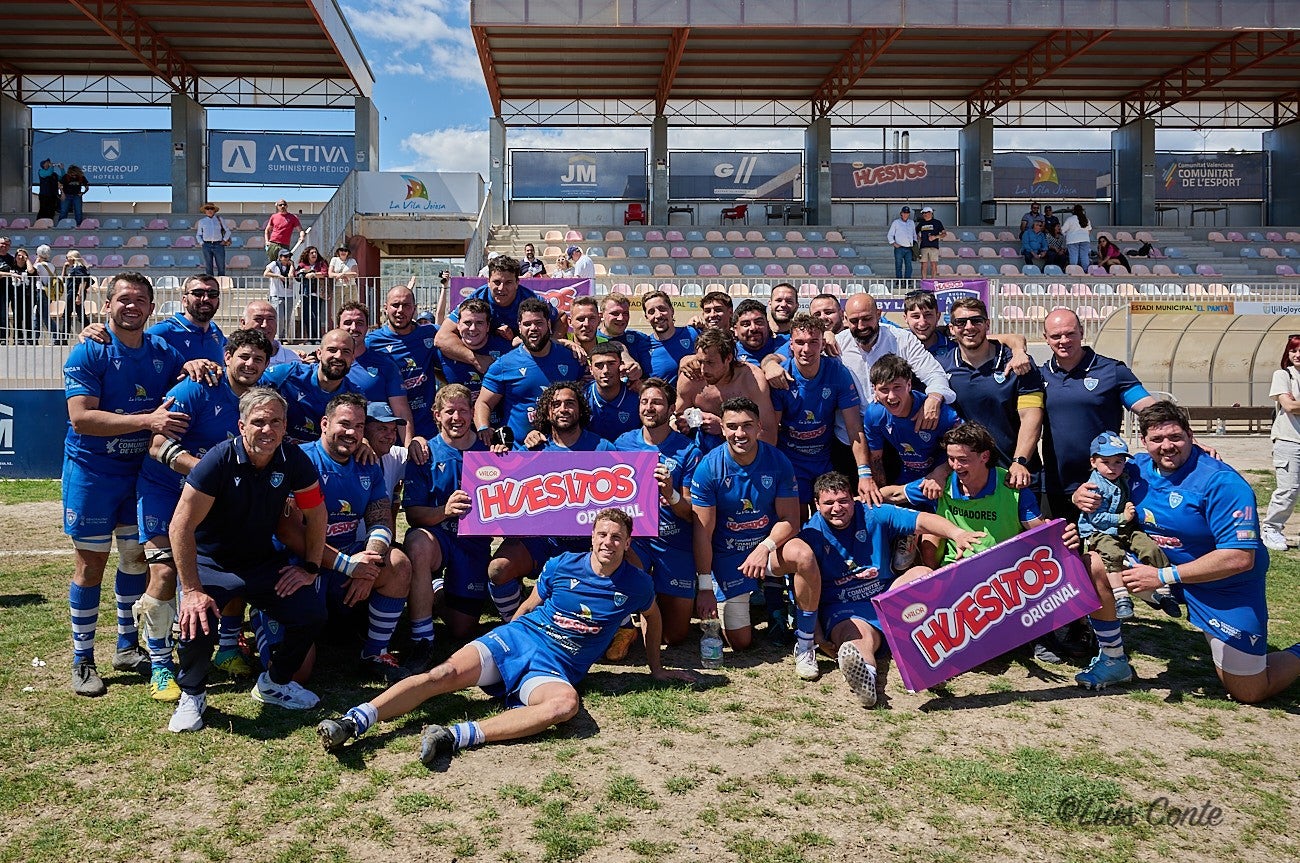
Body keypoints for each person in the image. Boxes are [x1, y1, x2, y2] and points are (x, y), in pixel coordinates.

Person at [316, 509, 694, 765]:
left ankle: (452, 736)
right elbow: (528, 607)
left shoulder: (637, 584)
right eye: (601, 534)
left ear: (628, 543)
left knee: (566, 706)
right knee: (441, 676)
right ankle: (353, 722)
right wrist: (505, 634)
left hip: (555, 666)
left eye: (617, 537)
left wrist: (656, 669)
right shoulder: (562, 565)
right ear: (591, 536)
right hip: (519, 638)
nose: (607, 542)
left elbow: (652, 618)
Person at [1073, 402, 1300, 702]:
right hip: (1162, 573)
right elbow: (1100, 472)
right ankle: (1114, 660)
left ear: (1191, 436)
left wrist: (1163, 575)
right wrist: (1080, 494)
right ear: (1144, 442)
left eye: (1176, 437)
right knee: (1095, 562)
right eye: (1157, 439)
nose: (1167, 446)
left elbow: (1241, 558)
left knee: (1250, 691)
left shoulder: (1222, 482)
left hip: (1223, 587)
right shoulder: (1135, 468)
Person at [168, 387, 328, 732]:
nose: (267, 430)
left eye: (275, 422)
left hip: (260, 562)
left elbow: (317, 515)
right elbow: (180, 525)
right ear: (242, 426)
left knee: (310, 612)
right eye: (258, 422)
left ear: (286, 426)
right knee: (198, 618)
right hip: (212, 561)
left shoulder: (294, 459)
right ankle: (192, 694)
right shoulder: (218, 459)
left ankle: (275, 683)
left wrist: (310, 568)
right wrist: (192, 588)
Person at [63, 272, 188, 697]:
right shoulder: (90, 349)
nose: (131, 306)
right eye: (123, 299)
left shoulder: (162, 351)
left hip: (140, 475)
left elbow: (184, 374)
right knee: (91, 565)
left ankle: (125, 645)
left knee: (136, 559)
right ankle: (82, 659)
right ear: (107, 304)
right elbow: (81, 418)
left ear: (152, 308)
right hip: (93, 474)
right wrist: (147, 420)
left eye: (140, 300)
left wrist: (195, 364)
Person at [136, 328, 273, 701]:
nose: (249, 364)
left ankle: (228, 646)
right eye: (243, 356)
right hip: (166, 492)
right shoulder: (196, 387)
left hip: (215, 500)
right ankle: (162, 664)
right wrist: (205, 471)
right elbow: (157, 444)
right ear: (227, 356)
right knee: (165, 572)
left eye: (258, 359)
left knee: (233, 564)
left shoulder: (259, 400)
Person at [799, 472, 982, 707]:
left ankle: (931, 657)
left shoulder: (873, 513)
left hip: (886, 599)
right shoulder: (810, 535)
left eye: (843, 501)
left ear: (853, 499)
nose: (838, 508)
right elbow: (804, 593)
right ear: (816, 504)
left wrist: (958, 534)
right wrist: (817, 634)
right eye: (829, 503)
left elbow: (922, 520)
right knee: (857, 639)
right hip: (845, 609)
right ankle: (865, 677)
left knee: (922, 575)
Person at [691, 398, 821, 677]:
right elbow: (703, 533)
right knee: (741, 643)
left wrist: (765, 547)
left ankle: (806, 643)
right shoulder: (709, 468)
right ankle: (763, 593)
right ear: (723, 430)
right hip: (729, 557)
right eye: (733, 427)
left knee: (804, 555)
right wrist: (704, 586)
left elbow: (791, 521)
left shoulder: (778, 461)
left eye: (747, 426)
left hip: (767, 549)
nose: (740, 433)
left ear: (759, 427)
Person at [290, 393, 413, 682]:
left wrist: (370, 562)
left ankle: (375, 653)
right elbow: (291, 533)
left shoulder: (368, 464)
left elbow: (380, 518)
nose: (352, 432)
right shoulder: (300, 460)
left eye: (359, 426)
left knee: (398, 563)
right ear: (324, 423)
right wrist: (348, 564)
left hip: (349, 557)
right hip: (300, 564)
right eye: (344, 424)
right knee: (296, 674)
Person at [402, 385, 491, 663]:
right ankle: (421, 637)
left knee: (462, 629)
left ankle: (436, 590)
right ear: (436, 415)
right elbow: (413, 515)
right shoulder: (424, 453)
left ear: (472, 413)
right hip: (438, 538)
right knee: (416, 542)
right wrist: (445, 510)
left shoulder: (490, 450)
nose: (457, 417)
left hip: (473, 544)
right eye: (449, 411)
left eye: (463, 410)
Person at [1039, 308, 1155, 520]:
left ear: (1082, 332)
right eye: (1056, 336)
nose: (1063, 340)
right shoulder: (1040, 376)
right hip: (1056, 485)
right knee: (1057, 551)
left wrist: (1182, 435)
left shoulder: (1112, 371)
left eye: (1070, 333)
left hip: (1104, 485)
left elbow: (1149, 408)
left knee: (1102, 550)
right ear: (1045, 338)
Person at [614, 378, 702, 645]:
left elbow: (689, 512)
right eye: (644, 402)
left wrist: (670, 493)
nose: (649, 408)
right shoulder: (622, 444)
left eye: (656, 402)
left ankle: (650, 594)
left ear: (671, 407)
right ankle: (628, 616)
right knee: (617, 550)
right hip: (637, 541)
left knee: (672, 637)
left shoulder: (688, 451)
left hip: (673, 542)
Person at [938, 297, 1045, 486]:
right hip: (965, 479)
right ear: (952, 329)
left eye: (976, 320)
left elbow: (1031, 416)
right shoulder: (940, 367)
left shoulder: (1018, 363)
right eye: (961, 322)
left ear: (987, 324)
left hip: (1013, 475)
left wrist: (1019, 461)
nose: (969, 327)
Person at [1076, 432, 1171, 621]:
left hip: (1124, 527)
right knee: (1112, 554)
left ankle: (1164, 589)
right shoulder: (1094, 487)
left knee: (1149, 547)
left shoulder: (1123, 478)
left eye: (1118, 462)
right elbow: (1097, 519)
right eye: (1106, 462)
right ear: (1093, 462)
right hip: (1101, 530)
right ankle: (1121, 597)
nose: (1113, 468)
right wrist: (1123, 516)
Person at [475, 298, 583, 446]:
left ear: (549, 325)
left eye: (539, 323)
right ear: (519, 327)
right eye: (527, 324)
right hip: (518, 453)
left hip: (563, 450)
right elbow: (484, 402)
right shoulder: (504, 364)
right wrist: (483, 427)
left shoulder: (571, 358)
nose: (533, 328)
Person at [338, 301, 425, 458]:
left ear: (367, 327)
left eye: (359, 323)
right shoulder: (329, 364)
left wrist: (407, 453)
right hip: (338, 449)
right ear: (338, 326)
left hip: (377, 454)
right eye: (347, 323)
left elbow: (401, 411)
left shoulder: (385, 365)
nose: (353, 328)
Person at [437, 255, 559, 362]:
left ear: (517, 283)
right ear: (488, 281)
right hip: (487, 359)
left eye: (508, 282)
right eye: (496, 282)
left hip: (523, 358)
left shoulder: (531, 299)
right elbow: (441, 337)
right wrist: (476, 360)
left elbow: (561, 317)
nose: (501, 288)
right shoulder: (477, 298)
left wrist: (551, 344)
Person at [676, 327, 777, 452]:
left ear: (728, 358)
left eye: (710, 363)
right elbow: (674, 422)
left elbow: (769, 436)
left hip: (743, 452)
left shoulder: (751, 380)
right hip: (700, 451)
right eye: (700, 361)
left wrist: (724, 428)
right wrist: (685, 422)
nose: (703, 370)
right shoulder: (691, 377)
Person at [366, 284, 441, 440]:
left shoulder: (431, 333)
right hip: (387, 431)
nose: (400, 310)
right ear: (385, 308)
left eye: (406, 305)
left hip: (426, 428)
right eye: (395, 305)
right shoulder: (372, 342)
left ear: (414, 308)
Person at [260, 328, 361, 443]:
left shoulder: (354, 396)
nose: (338, 356)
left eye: (346, 351)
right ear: (319, 353)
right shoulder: (287, 374)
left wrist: (364, 441)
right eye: (332, 350)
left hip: (318, 458)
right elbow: (248, 386)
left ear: (353, 358)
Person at [1263, 334, 1300, 551]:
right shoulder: (1283, 375)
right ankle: (1271, 528)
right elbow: (1290, 406)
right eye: (1293, 350)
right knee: (1289, 489)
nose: (1297, 355)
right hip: (1289, 440)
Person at [147, 274, 227, 363]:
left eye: (212, 294)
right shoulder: (163, 332)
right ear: (185, 300)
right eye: (198, 293)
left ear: (218, 302)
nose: (206, 299)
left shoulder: (215, 331)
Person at [585, 343, 640, 442]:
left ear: (621, 365)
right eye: (599, 365)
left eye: (611, 364)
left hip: (629, 455)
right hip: (591, 455)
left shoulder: (637, 395)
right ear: (591, 369)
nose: (605, 370)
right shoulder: (581, 397)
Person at [641, 290, 698, 383]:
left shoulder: (693, 333)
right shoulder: (643, 347)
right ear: (646, 317)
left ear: (672, 311)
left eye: (662, 309)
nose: (658, 315)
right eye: (651, 312)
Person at [241, 299, 302, 366]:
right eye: (258, 319)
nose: (265, 325)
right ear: (243, 323)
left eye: (270, 319)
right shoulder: (232, 357)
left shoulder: (291, 361)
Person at [901, 289, 955, 356]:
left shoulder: (954, 350)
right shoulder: (898, 348)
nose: (922, 323)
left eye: (928, 315)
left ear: (938, 316)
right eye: (915, 316)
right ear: (905, 318)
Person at [732, 298, 783, 364]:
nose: (753, 328)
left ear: (768, 325)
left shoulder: (785, 343)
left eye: (759, 322)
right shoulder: (730, 354)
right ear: (735, 330)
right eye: (746, 324)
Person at [295, 245, 328, 339]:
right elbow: (297, 275)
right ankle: (310, 337)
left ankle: (317, 337)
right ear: (307, 255)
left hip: (317, 293)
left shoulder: (321, 263)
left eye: (315, 252)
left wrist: (313, 274)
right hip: (305, 293)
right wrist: (302, 272)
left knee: (315, 316)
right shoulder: (302, 264)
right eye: (312, 253)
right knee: (306, 316)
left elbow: (324, 273)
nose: (314, 254)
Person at [59, 249, 93, 340]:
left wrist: (79, 295)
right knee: (77, 314)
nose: (66, 260)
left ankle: (65, 337)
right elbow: (63, 278)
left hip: (75, 293)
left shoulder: (79, 268)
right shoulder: (73, 268)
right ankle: (65, 337)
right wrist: (64, 268)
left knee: (74, 315)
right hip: (71, 292)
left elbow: (83, 281)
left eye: (67, 258)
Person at [195, 203, 233, 277]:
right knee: (208, 265)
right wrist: (202, 243)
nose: (209, 210)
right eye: (207, 209)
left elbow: (228, 231)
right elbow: (198, 234)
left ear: (214, 210)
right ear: (205, 211)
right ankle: (210, 282)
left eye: (211, 209)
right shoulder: (202, 221)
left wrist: (224, 240)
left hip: (218, 244)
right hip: (206, 244)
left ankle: (221, 282)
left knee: (221, 265)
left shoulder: (220, 219)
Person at [886, 205, 917, 280]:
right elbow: (890, 235)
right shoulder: (896, 222)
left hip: (909, 247)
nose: (906, 214)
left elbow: (914, 234)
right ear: (901, 213)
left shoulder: (911, 222)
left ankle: (907, 282)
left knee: (909, 266)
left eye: (907, 213)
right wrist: (894, 243)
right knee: (898, 265)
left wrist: (914, 243)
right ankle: (899, 282)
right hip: (899, 247)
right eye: (904, 213)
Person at [914, 206, 945, 281]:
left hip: (934, 246)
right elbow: (915, 232)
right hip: (923, 246)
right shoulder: (921, 223)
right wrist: (919, 237)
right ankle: (924, 280)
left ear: (931, 213)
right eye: (923, 213)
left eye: (926, 213)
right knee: (923, 264)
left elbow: (944, 234)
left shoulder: (937, 222)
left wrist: (935, 237)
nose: (924, 214)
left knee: (933, 264)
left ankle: (933, 280)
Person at [1061, 204, 1092, 269]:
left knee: (1073, 256)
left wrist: (1066, 235)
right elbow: (1089, 231)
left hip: (1073, 240)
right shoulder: (1086, 219)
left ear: (1074, 211)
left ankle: (1073, 270)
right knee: (1084, 256)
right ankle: (1085, 271)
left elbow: (1063, 230)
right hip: (1085, 240)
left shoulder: (1070, 219)